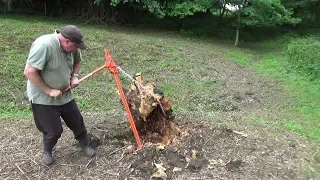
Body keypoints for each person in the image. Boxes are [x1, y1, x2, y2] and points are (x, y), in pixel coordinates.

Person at [24, 25, 95, 166]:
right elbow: (29, 72)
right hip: (43, 98)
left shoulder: (72, 48)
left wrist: (74, 77)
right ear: (67, 41)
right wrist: (49, 91)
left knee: (77, 121)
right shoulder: (43, 45)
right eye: (75, 46)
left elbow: (77, 61)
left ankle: (85, 144)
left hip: (65, 95)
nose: (76, 49)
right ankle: (47, 151)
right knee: (53, 130)